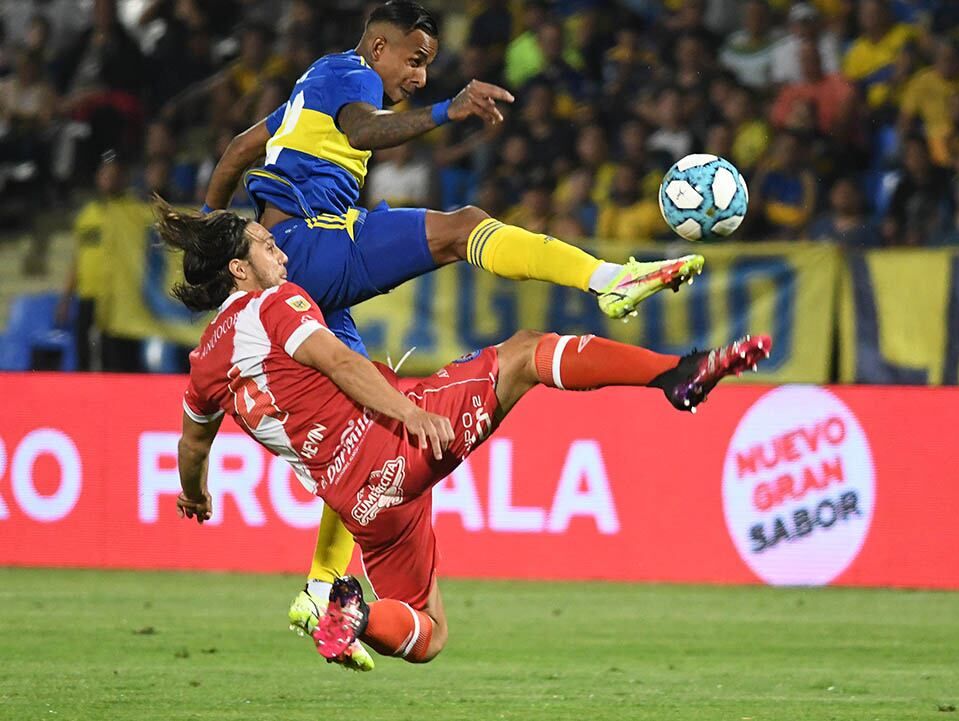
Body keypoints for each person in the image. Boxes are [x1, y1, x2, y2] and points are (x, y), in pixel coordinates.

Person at [200, 0, 705, 671]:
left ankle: (323, 592)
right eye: (414, 60)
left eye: (427, 69)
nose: (418, 77)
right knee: (462, 227)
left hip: (295, 269)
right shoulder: (348, 76)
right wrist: (446, 112)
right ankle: (607, 278)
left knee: (365, 417)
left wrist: (213, 231)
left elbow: (237, 150)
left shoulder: (306, 92)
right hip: (308, 244)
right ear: (378, 47)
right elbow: (361, 131)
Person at [164, 200, 770, 670]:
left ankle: (356, 615)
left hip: (360, 502)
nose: (284, 257)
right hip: (392, 441)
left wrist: (194, 494)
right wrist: (409, 416)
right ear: (240, 269)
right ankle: (676, 374)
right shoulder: (272, 305)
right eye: (269, 247)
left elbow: (193, 447)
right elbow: (343, 364)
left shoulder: (205, 363)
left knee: (426, 634)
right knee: (527, 353)